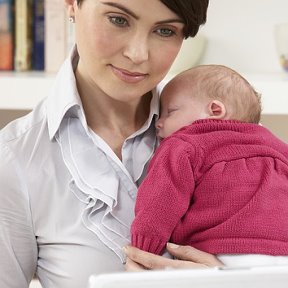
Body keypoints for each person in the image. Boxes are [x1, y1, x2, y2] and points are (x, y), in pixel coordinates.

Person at [0, 1, 222, 288]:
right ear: (70, 4)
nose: (138, 54)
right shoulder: (14, 158)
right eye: (118, 20)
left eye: (165, 30)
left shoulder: (229, 136)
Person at [130, 64, 288, 268]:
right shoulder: (279, 146)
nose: (159, 123)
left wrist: (144, 248)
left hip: (223, 251)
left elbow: (160, 200)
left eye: (170, 111)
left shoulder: (185, 144)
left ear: (215, 110)